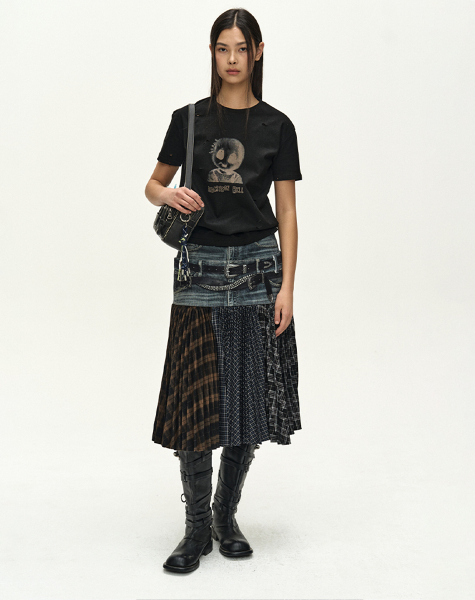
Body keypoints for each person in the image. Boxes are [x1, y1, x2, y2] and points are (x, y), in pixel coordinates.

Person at [145, 7, 302, 573]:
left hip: (259, 271)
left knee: (247, 403)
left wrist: (287, 287)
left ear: (257, 51)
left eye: (241, 48)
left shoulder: (277, 126)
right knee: (195, 406)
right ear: (212, 53)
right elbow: (152, 184)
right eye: (221, 48)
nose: (231, 59)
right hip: (199, 272)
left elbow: (287, 212)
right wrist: (168, 195)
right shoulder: (188, 120)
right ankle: (195, 529)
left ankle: (224, 516)